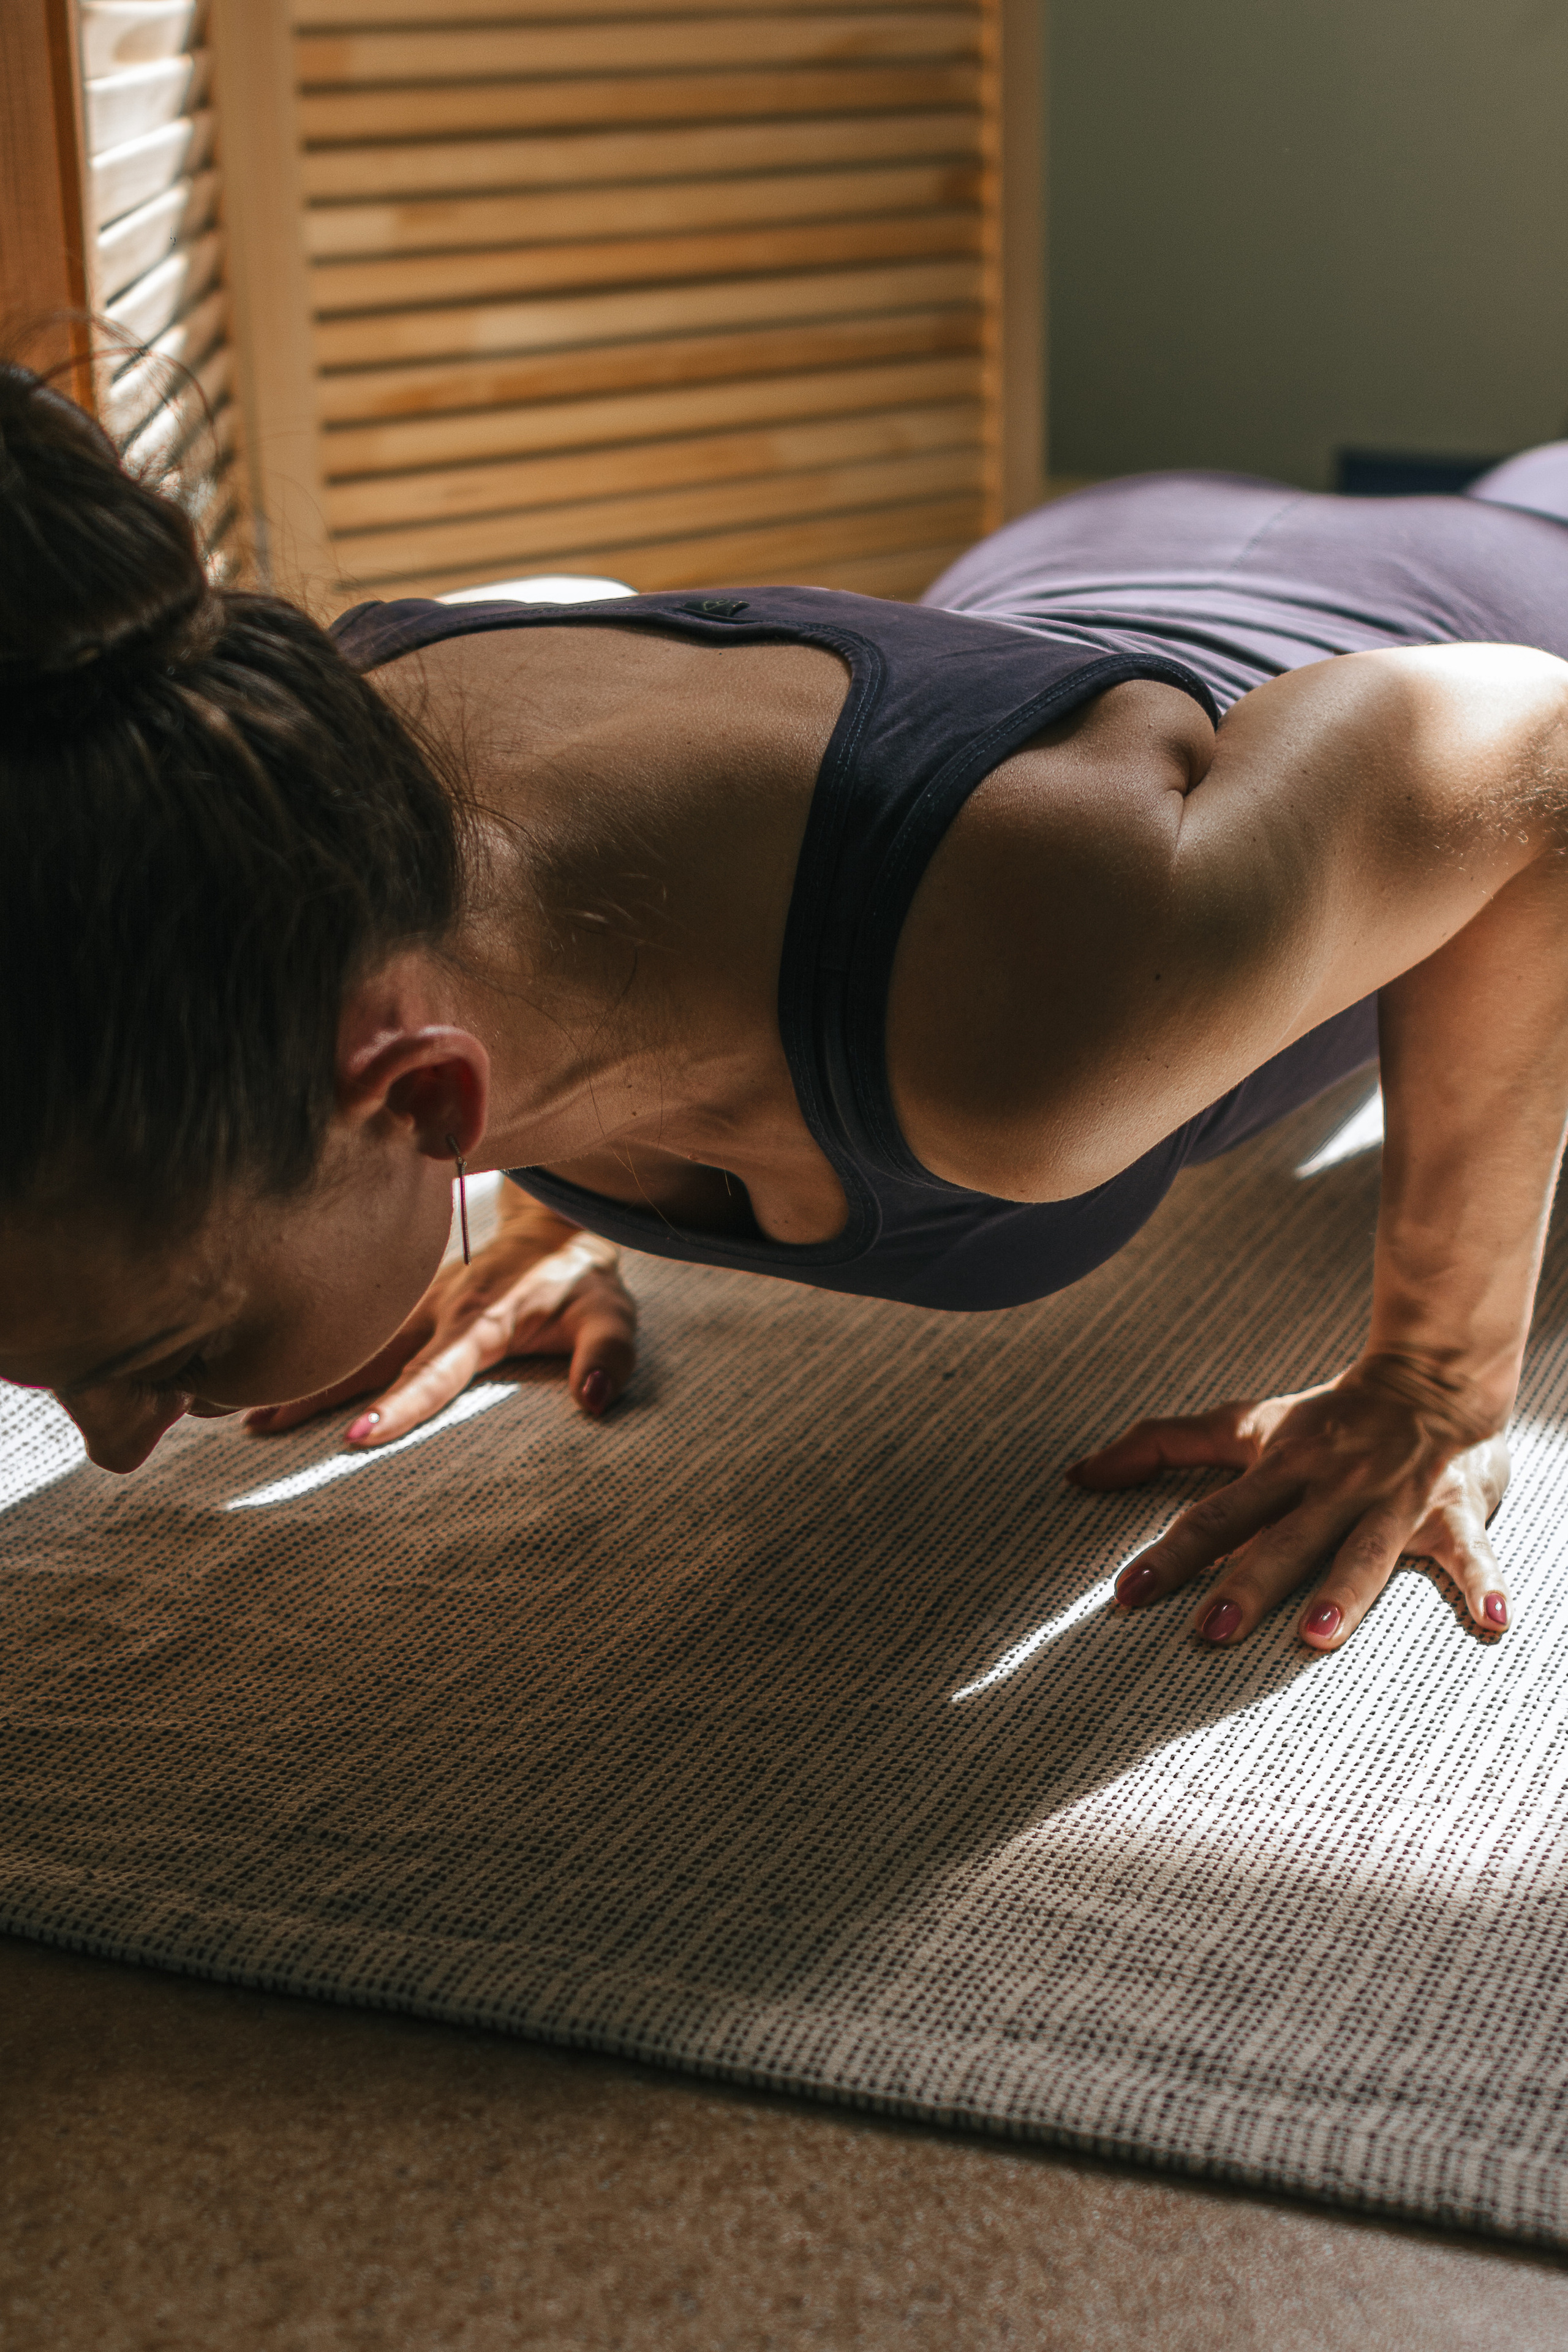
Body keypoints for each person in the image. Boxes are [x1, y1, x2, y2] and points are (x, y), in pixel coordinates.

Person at [4, 361, 1568, 1665]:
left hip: (1502, 600)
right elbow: (576, 634)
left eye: (163, 1346)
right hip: (1093, 547)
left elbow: (1536, 752)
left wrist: (1433, 1380)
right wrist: (558, 1207)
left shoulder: (1030, 1022)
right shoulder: (309, 765)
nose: (121, 1441)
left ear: (424, 1098)